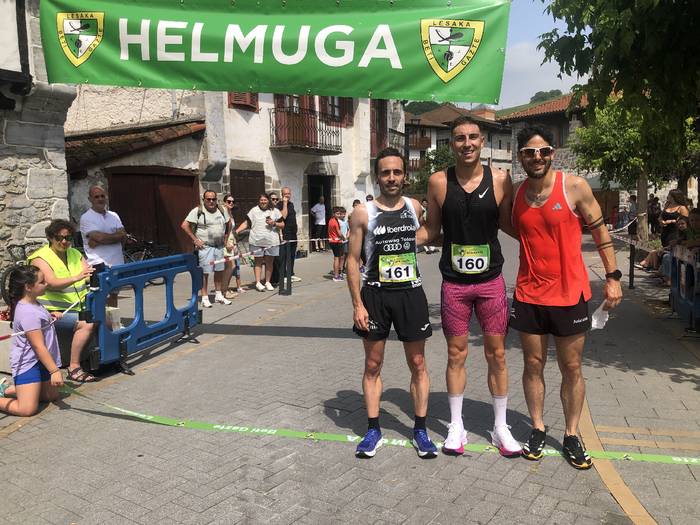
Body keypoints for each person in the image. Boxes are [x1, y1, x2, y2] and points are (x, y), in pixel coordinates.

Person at [509, 125, 622, 470]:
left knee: (571, 367)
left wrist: (613, 277)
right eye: (530, 152)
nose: (537, 157)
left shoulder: (574, 186)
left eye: (543, 151)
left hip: (569, 294)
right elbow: (508, 226)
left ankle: (572, 434)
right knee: (532, 364)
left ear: (552, 153)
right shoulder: (515, 193)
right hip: (528, 293)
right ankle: (538, 427)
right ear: (521, 156)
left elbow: (600, 230)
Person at [416, 115, 521, 457]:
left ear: (482, 141)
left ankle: (500, 426)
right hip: (455, 285)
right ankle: (456, 425)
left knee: (497, 354)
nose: (467, 143)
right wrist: (394, 239)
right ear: (452, 144)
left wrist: (546, 239)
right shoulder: (438, 181)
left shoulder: (501, 179)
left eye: (473, 137)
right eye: (460, 138)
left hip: (491, 282)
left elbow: (509, 225)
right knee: (455, 354)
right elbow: (432, 231)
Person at [347, 147, 438, 459]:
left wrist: (415, 240)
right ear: (377, 177)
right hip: (376, 295)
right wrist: (357, 305)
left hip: (410, 294)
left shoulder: (414, 207)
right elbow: (352, 260)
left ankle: (420, 430)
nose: (391, 177)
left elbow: (427, 232)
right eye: (385, 172)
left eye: (397, 172)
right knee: (373, 365)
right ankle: (373, 430)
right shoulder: (363, 213)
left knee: (418, 363)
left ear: (404, 176)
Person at [28, 219, 96, 382]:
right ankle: (74, 367)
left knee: (106, 318)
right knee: (87, 324)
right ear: (50, 238)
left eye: (68, 238)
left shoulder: (75, 253)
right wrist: (77, 277)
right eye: (59, 238)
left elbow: (87, 274)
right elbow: (51, 283)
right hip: (51, 313)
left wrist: (95, 276)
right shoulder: (40, 258)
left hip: (76, 308)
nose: (64, 242)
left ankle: (99, 359)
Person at [0, 266, 64, 416]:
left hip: (41, 360)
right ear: (28, 287)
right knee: (27, 409)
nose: (46, 283)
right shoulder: (28, 312)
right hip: (29, 363)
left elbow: (38, 321)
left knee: (51, 396)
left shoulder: (33, 303)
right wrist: (54, 371)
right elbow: (38, 346)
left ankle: (8, 389)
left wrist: (50, 316)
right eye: (42, 282)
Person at [181, 191, 232, 308]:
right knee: (205, 272)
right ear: (203, 200)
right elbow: (184, 225)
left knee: (219, 270)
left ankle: (218, 295)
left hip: (219, 246)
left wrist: (226, 239)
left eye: (213, 199)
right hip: (206, 247)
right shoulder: (197, 211)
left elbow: (229, 223)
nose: (211, 201)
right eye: (208, 199)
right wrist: (195, 240)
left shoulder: (221, 210)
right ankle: (204, 297)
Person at [79, 185, 127, 308]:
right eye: (96, 197)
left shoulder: (114, 215)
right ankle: (100, 320)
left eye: (102, 196)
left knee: (114, 296)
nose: (100, 199)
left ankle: (113, 319)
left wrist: (102, 239)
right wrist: (114, 236)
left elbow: (123, 235)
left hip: (116, 263)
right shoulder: (86, 217)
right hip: (99, 265)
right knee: (100, 297)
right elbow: (100, 238)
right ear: (90, 199)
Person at [235, 193, 284, 291]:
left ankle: (267, 282)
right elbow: (247, 223)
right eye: (261, 200)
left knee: (269, 262)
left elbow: (282, 224)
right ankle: (258, 282)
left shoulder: (275, 211)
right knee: (258, 262)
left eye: (265, 200)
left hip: (271, 241)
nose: (263, 202)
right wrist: (236, 231)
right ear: (259, 201)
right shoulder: (254, 210)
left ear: (268, 200)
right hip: (256, 240)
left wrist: (274, 223)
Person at [638, 190, 690, 271]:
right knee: (664, 249)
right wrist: (661, 221)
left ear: (674, 197)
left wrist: (671, 221)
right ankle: (657, 266)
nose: (668, 196)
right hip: (665, 231)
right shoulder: (667, 205)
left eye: (669, 195)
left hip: (675, 232)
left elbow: (685, 221)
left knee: (669, 249)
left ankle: (653, 265)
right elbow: (661, 216)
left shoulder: (682, 208)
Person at [277, 187, 301, 284]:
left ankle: (290, 274)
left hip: (293, 233)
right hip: (285, 233)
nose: (287, 195)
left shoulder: (292, 204)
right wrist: (285, 203)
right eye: (285, 194)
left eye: (288, 193)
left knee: (291, 255)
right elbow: (284, 216)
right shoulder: (279, 205)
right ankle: (283, 275)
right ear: (282, 194)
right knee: (284, 255)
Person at [221, 193, 243, 298]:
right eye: (229, 201)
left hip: (232, 242)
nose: (231, 203)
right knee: (230, 266)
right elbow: (222, 230)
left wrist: (235, 243)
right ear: (224, 202)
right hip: (225, 243)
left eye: (233, 202)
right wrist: (226, 243)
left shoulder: (229, 213)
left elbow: (231, 231)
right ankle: (223, 291)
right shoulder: (223, 213)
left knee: (230, 267)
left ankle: (225, 289)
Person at [327, 207, 346, 282]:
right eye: (337, 214)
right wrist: (343, 238)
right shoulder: (335, 222)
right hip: (336, 242)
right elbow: (339, 233)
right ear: (333, 214)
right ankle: (336, 276)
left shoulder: (330, 220)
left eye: (339, 214)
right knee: (337, 258)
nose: (338, 215)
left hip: (332, 241)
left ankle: (337, 273)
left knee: (338, 257)